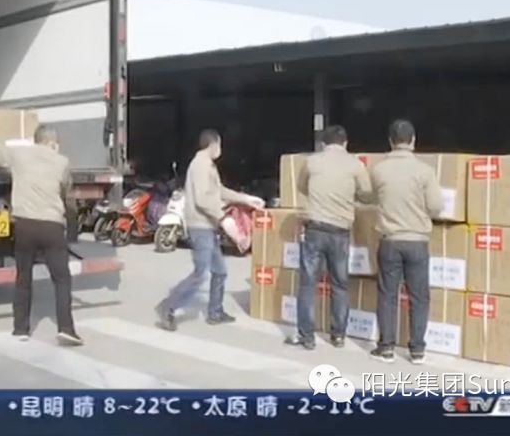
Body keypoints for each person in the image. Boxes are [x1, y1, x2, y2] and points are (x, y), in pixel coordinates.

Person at [0, 119, 83, 346]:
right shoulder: (62, 161)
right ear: (52, 143)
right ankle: (66, 329)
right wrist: (72, 227)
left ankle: (20, 329)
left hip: (25, 225)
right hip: (52, 227)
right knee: (61, 278)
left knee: (23, 278)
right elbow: (67, 194)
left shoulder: (19, 155)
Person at [155, 129, 264, 331]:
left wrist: (246, 199)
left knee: (220, 271)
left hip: (208, 226)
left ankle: (215, 312)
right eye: (220, 145)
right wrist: (224, 219)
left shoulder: (208, 166)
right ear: (213, 145)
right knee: (200, 273)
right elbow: (203, 199)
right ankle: (168, 307)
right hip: (200, 226)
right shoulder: (201, 166)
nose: (221, 150)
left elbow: (218, 191)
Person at [284, 125, 372, 351]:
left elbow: (302, 186)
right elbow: (366, 193)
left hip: (314, 229)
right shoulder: (355, 164)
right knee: (339, 284)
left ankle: (307, 336)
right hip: (340, 231)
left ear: (323, 143)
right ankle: (338, 335)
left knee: (307, 283)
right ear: (345, 143)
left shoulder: (312, 162)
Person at [368, 119, 443, 364]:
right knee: (419, 297)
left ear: (390, 141)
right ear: (413, 141)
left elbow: (370, 197)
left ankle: (386, 348)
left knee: (387, 294)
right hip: (417, 241)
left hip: (390, 240)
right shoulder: (425, 171)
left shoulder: (378, 170)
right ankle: (417, 350)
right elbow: (436, 206)